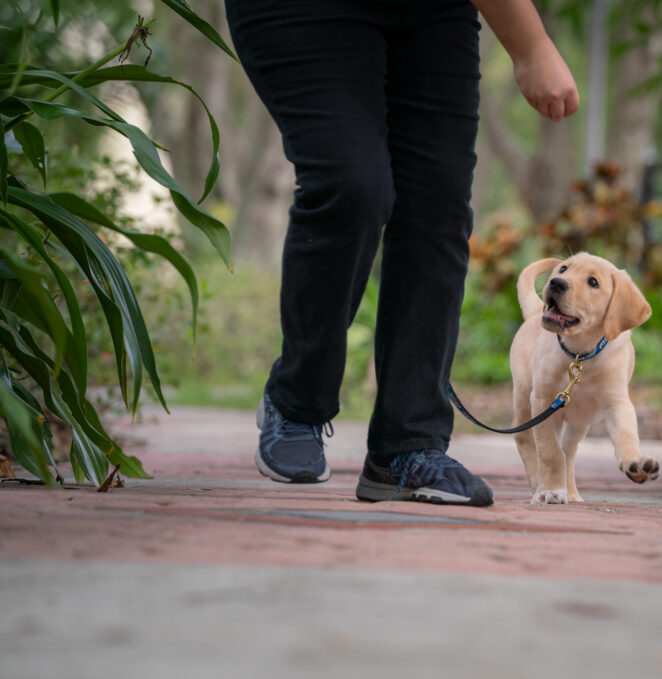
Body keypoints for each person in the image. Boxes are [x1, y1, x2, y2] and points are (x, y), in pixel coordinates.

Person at [224, 0, 579, 506]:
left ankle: (408, 445)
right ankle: (296, 403)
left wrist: (532, 45)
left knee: (438, 207)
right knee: (352, 186)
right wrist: (530, 45)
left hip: (431, 12)